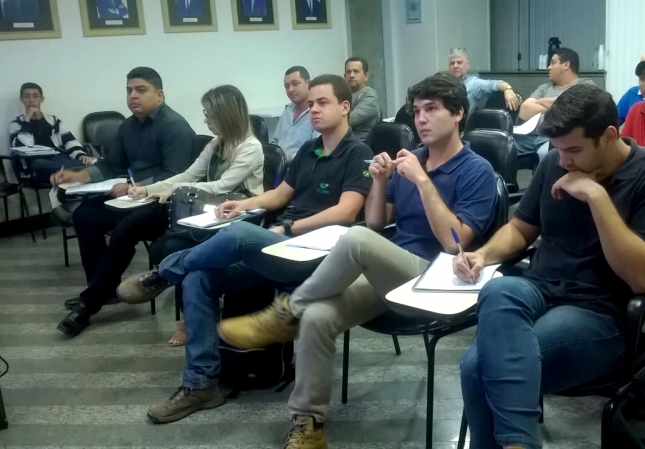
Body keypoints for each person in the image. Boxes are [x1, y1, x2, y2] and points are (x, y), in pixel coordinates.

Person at [213, 72, 499, 448]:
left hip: (437, 280)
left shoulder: (476, 170)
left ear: (459, 113)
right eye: (416, 111)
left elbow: (454, 243)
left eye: (432, 110)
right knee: (318, 316)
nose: (422, 119)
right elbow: (380, 220)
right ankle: (309, 426)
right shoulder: (412, 159)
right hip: (393, 273)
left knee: (357, 238)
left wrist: (424, 183)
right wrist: (380, 181)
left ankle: (285, 313)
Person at [115, 74, 374, 424]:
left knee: (237, 236)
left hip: (318, 254)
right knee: (199, 278)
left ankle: (162, 273)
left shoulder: (358, 152)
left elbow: (346, 212)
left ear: (345, 107)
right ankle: (201, 384)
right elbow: (281, 195)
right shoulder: (310, 151)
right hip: (283, 244)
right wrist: (245, 204)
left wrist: (288, 227)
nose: (313, 109)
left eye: (322, 102)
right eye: (310, 103)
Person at [455, 83, 645, 449]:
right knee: (499, 288)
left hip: (601, 312)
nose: (563, 162)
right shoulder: (553, 162)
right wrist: (484, 255)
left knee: (477, 366)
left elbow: (643, 277)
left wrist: (597, 196)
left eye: (574, 150)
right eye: (559, 150)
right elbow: (519, 228)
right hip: (542, 289)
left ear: (610, 136)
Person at [51, 67, 195, 335]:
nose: (133, 96)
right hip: (132, 198)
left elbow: (175, 176)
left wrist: (135, 186)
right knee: (85, 215)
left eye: (141, 90)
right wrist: (77, 175)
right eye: (129, 90)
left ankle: (88, 302)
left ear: (159, 95)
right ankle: (103, 289)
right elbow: (111, 164)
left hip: (161, 202)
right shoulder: (127, 126)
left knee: (125, 229)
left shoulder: (175, 127)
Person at [126, 84, 263, 347]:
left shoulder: (250, 147)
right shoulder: (216, 144)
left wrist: (179, 189)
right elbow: (189, 176)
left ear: (225, 115)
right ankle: (193, 316)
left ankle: (190, 320)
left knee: (174, 247)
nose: (205, 120)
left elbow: (221, 187)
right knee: (166, 247)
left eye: (209, 114)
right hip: (213, 214)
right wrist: (148, 189)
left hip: (240, 216)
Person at [9, 83, 90, 184]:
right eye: (27, 96)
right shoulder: (16, 124)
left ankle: (72, 168)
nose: (31, 100)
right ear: (21, 99)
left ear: (42, 99)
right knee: (39, 164)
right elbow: (20, 149)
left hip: (59, 158)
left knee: (84, 160)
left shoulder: (54, 121)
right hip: (37, 163)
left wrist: (81, 155)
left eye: (35, 96)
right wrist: (27, 121)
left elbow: (70, 141)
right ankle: (74, 168)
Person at [519, 47, 595, 121]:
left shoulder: (585, 85)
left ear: (566, 65)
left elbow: (577, 106)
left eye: (553, 63)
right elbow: (524, 111)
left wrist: (540, 101)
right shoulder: (544, 88)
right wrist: (563, 109)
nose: (549, 67)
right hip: (539, 133)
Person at [448, 48, 520, 115]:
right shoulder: (444, 83)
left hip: (461, 126)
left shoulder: (474, 83)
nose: (455, 66)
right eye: (452, 63)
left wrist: (507, 88)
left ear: (467, 65)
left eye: (459, 63)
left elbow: (496, 84)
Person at [271, 66, 319, 161]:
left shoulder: (317, 113)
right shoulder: (287, 111)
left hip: (301, 167)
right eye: (287, 86)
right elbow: (274, 141)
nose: (290, 90)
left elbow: (316, 148)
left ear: (308, 84)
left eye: (295, 84)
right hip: (278, 166)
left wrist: (287, 159)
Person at [344, 56, 381, 140]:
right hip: (342, 142)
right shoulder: (341, 94)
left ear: (366, 76)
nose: (351, 75)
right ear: (344, 76)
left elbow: (349, 120)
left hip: (360, 144)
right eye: (348, 72)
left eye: (356, 71)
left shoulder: (370, 97)